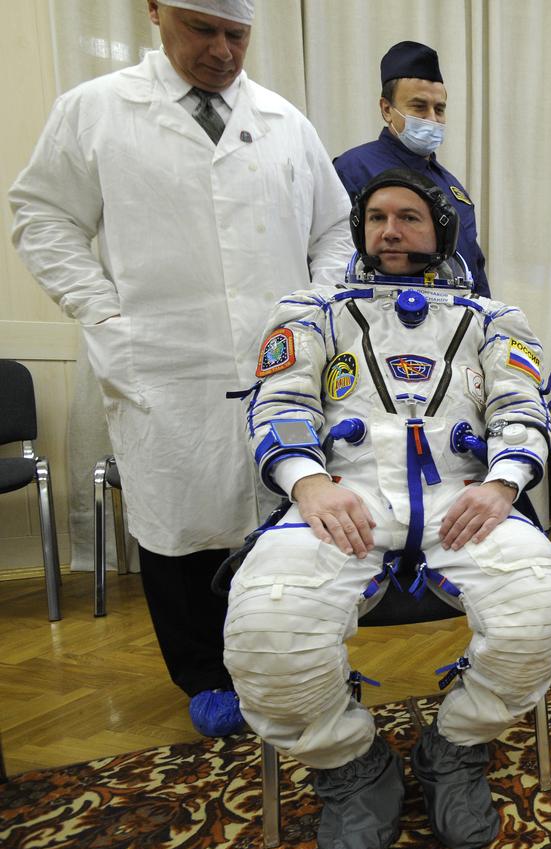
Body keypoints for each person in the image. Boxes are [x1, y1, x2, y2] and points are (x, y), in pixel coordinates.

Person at [8, 0, 352, 738]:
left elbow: (335, 229)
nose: (223, 51)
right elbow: (42, 216)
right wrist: (101, 310)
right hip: (162, 356)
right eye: (204, 29)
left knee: (284, 514)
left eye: (237, 34)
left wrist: (314, 309)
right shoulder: (97, 110)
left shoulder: (286, 122)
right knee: (179, 517)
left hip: (279, 360)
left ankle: (298, 656)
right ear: (157, 13)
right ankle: (203, 673)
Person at [223, 168, 551, 849]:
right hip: (341, 499)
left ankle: (454, 749)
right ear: (361, 228)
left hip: (464, 499)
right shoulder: (310, 309)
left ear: (440, 232)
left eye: (410, 217)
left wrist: (505, 483)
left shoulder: (493, 320)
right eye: (378, 217)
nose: (391, 230)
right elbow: (278, 401)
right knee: (267, 631)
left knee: (539, 612)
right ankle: (352, 766)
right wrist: (308, 481)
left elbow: (522, 409)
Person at [333, 41, 490, 298]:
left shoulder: (451, 186)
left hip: (456, 325)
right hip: (383, 323)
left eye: (439, 109)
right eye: (419, 107)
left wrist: (486, 323)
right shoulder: (353, 169)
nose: (432, 118)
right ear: (386, 109)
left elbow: (475, 268)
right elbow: (335, 259)